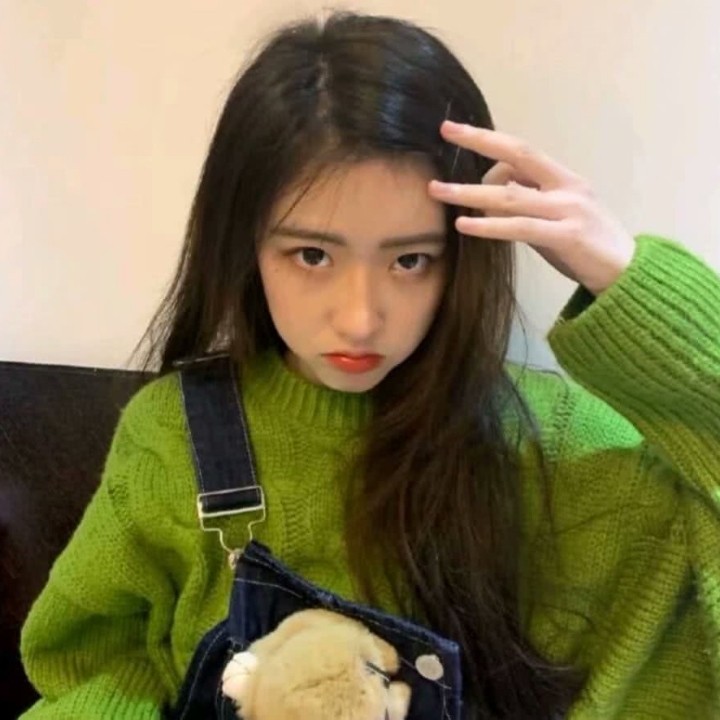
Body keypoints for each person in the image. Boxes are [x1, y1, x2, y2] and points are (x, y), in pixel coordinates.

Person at [19, 11, 720, 720]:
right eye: (312, 255)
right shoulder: (175, 436)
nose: (359, 318)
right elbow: (101, 670)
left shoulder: (552, 443)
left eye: (410, 260)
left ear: (461, 261)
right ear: (246, 246)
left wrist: (626, 278)